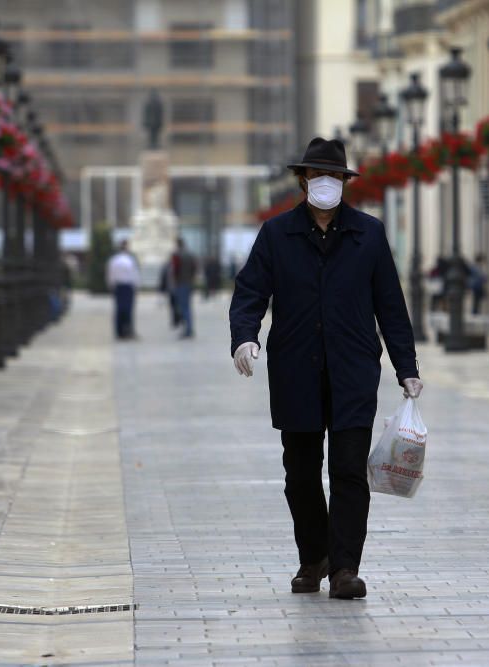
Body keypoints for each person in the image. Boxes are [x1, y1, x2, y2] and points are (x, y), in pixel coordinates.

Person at [229, 137, 422, 600]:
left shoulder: (369, 235)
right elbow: (250, 291)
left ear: (344, 183)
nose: (326, 184)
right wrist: (244, 337)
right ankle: (313, 556)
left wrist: (406, 366)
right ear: (303, 181)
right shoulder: (277, 235)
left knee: (349, 469)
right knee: (300, 474)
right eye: (318, 176)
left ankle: (345, 568)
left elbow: (390, 306)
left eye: (334, 176)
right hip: (296, 371)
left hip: (353, 370)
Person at [106, 240, 141, 340]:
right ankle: (128, 331)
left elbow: (110, 275)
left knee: (119, 310)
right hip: (128, 287)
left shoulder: (113, 260)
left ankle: (119, 332)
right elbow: (135, 275)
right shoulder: (130, 260)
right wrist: (136, 286)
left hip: (118, 287)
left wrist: (111, 286)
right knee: (128, 310)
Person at [170, 238, 197, 338]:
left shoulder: (176, 255)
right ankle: (189, 328)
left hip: (180, 283)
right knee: (188, 307)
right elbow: (195, 268)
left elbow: (175, 270)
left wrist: (174, 281)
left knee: (183, 307)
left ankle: (187, 330)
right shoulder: (190, 254)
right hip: (189, 283)